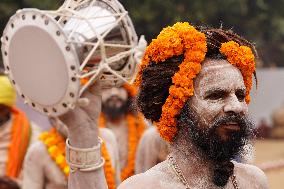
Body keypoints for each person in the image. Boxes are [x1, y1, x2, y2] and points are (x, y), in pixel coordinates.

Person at [60, 22, 269, 189]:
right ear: (177, 108)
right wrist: (83, 136)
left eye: (240, 95)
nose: (236, 106)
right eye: (216, 95)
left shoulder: (253, 181)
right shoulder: (144, 187)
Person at [22, 118, 120, 189]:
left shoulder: (107, 138)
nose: (75, 123)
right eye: (66, 116)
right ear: (53, 120)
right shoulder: (38, 151)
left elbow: (118, 184)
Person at [0, 73, 40, 184]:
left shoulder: (31, 133)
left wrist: (16, 184)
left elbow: (36, 178)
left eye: (1, 109)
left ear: (9, 107)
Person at [100, 84, 146, 180]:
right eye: (107, 86)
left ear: (128, 91)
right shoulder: (90, 130)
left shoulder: (143, 127)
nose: (114, 93)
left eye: (120, 86)